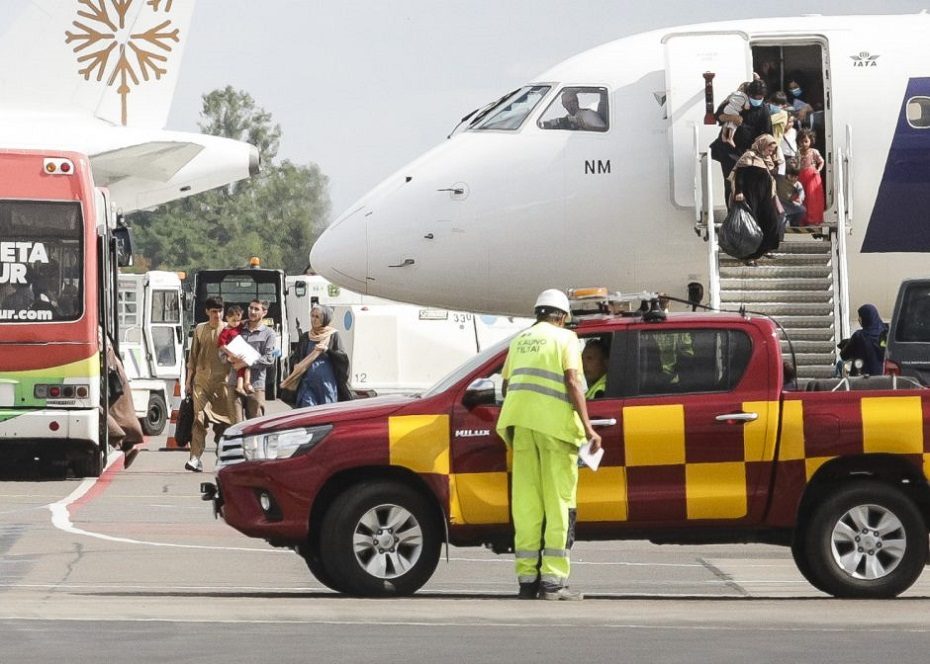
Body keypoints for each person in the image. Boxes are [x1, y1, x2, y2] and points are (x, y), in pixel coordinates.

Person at [496, 289, 602, 601]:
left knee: (527, 505)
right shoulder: (566, 339)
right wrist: (588, 427)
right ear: (562, 316)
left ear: (538, 312)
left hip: (521, 428)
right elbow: (572, 381)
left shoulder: (519, 340)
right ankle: (553, 582)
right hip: (556, 431)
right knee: (559, 505)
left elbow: (505, 385)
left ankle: (527, 581)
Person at [185, 296, 231, 472]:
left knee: (223, 424)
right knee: (199, 419)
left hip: (223, 385)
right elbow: (193, 358)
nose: (217, 315)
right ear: (207, 312)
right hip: (201, 383)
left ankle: (223, 458)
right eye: (214, 311)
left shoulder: (230, 330)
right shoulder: (199, 330)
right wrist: (189, 381)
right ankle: (195, 458)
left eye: (220, 311)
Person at [280, 304, 352, 407]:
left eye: (317, 317)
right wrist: (296, 364)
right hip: (307, 383)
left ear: (325, 319)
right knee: (307, 411)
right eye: (312, 316)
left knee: (326, 414)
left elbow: (342, 358)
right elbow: (296, 356)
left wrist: (327, 350)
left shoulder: (333, 335)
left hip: (327, 385)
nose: (313, 319)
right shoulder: (306, 337)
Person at [715, 79, 773, 204]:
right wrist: (733, 117)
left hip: (751, 154)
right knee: (731, 184)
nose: (757, 99)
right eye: (755, 97)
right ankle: (733, 214)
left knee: (750, 186)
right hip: (730, 152)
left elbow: (767, 134)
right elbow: (718, 116)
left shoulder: (763, 110)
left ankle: (750, 215)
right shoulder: (737, 101)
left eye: (760, 97)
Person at [729, 133, 783, 263]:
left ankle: (765, 249)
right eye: (768, 149)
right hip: (750, 195)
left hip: (764, 196)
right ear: (762, 145)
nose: (770, 152)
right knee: (752, 225)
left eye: (772, 150)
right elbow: (739, 175)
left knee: (771, 221)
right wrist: (739, 192)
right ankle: (749, 256)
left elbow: (773, 171)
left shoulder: (766, 159)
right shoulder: (749, 156)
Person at [225, 299, 277, 422]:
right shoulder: (238, 327)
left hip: (255, 386)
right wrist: (229, 357)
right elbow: (224, 348)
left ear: (264, 312)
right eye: (250, 308)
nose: (252, 311)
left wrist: (245, 362)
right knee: (235, 426)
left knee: (255, 426)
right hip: (234, 383)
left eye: (256, 309)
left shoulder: (269, 334)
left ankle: (254, 443)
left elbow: (269, 359)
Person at [839, 304, 888, 377]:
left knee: (839, 365)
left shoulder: (859, 336)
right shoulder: (886, 332)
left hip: (862, 380)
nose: (859, 319)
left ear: (865, 318)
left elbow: (844, 355)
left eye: (860, 316)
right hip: (884, 377)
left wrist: (847, 343)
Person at [217, 304, 252, 397]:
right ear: (227, 318)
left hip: (240, 351)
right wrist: (230, 354)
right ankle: (240, 386)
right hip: (232, 354)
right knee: (239, 369)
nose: (236, 323)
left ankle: (246, 383)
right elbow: (221, 345)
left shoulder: (238, 326)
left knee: (247, 366)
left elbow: (245, 322)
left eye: (238, 320)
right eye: (233, 320)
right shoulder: (225, 331)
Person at [796, 128, 825, 225]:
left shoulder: (814, 151)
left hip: (812, 176)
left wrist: (818, 170)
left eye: (806, 141)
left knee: (812, 197)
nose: (804, 144)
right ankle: (803, 218)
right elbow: (796, 164)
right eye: (801, 141)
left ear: (811, 141)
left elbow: (821, 161)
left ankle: (813, 219)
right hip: (801, 176)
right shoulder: (798, 152)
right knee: (802, 197)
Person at [776, 159, 807, 228]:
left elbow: (801, 193)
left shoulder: (797, 184)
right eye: (791, 176)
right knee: (781, 219)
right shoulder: (780, 179)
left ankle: (794, 222)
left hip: (789, 203)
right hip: (779, 203)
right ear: (786, 174)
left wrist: (799, 199)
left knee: (802, 210)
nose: (793, 179)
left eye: (795, 177)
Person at [720, 82, 750, 148]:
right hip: (735, 111)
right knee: (735, 122)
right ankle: (730, 138)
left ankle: (723, 135)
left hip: (727, 109)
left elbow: (726, 100)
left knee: (727, 122)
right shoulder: (745, 97)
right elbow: (746, 107)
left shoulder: (734, 93)